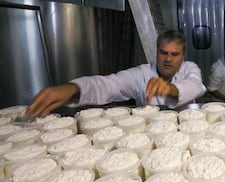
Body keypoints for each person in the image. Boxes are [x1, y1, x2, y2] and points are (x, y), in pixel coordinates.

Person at [25, 30, 206, 117]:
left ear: (183, 56)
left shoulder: (190, 68)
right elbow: (109, 85)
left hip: (188, 128)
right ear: (156, 52)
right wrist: (73, 89)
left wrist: (169, 88)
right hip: (151, 133)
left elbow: (195, 86)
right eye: (163, 53)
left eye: (174, 54)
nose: (168, 59)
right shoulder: (142, 74)